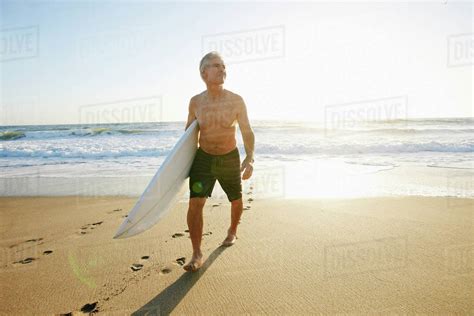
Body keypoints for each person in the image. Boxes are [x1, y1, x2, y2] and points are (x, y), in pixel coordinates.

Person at [183, 51, 255, 272]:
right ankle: (196, 253)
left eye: (223, 66)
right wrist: (183, 164)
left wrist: (249, 158)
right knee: (195, 204)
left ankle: (232, 230)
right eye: (216, 66)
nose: (222, 69)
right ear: (204, 73)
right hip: (203, 158)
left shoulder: (236, 100)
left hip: (228, 157)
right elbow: (188, 134)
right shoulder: (195, 102)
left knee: (235, 199)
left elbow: (247, 131)